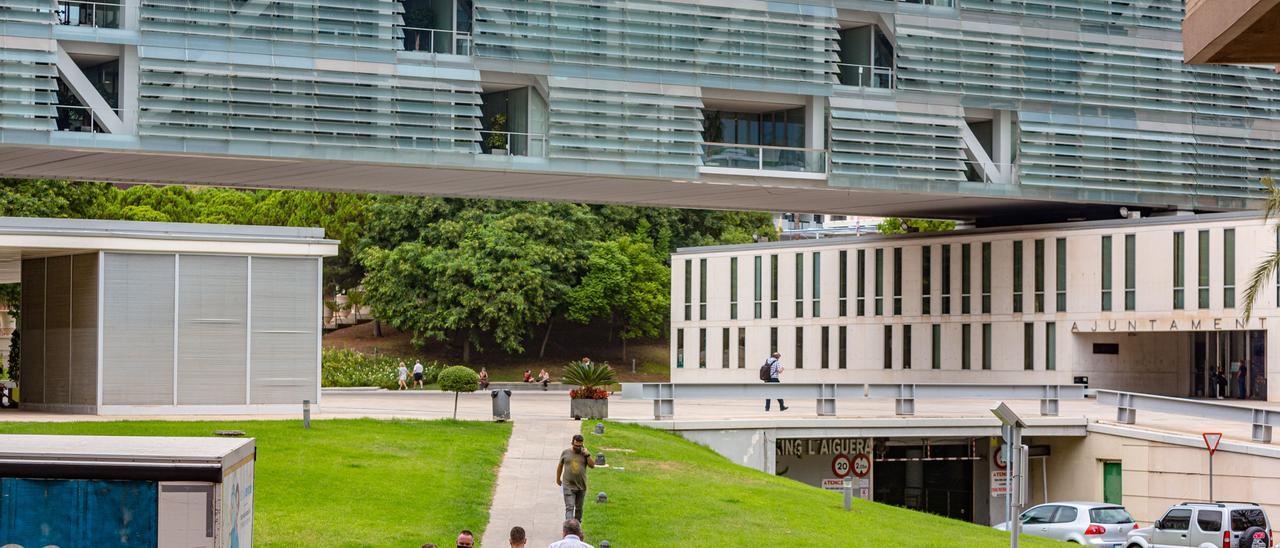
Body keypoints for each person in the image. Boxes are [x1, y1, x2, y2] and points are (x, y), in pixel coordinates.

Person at [555, 434, 595, 523]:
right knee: (569, 507)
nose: (577, 447)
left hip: (581, 486)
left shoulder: (585, 454)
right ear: (572, 443)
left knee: (579, 509)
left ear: (582, 444)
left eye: (579, 445)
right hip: (568, 485)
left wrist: (587, 455)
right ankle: (569, 528)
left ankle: (576, 527)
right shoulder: (565, 453)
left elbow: (592, 465)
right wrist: (558, 479)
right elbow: (560, 466)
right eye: (576, 445)